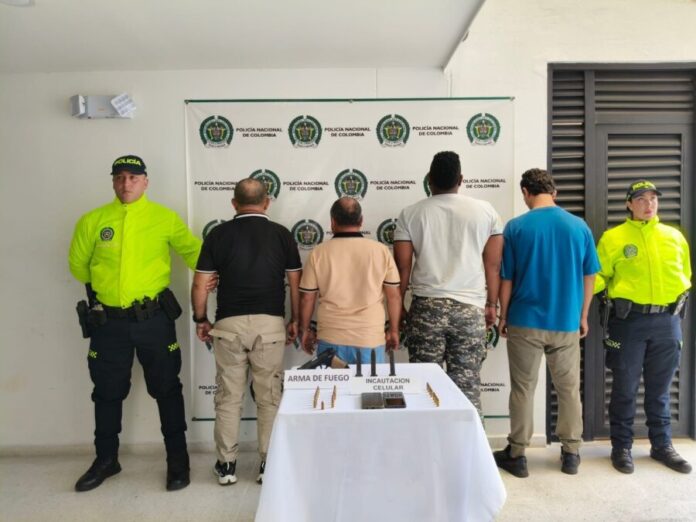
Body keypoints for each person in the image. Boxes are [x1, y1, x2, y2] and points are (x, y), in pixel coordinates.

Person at [69, 155, 202, 491]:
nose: (126, 183)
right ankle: (106, 460)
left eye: (133, 177)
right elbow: (78, 266)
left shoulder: (164, 218)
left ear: (145, 181)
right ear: (113, 181)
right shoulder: (93, 220)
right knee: (106, 393)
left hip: (154, 321)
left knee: (167, 389)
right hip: (108, 324)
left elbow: (195, 254)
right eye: (120, 177)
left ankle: (178, 462)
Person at [191, 178, 302, 486]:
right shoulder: (281, 234)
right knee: (269, 397)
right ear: (267, 202)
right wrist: (295, 320)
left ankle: (226, 465)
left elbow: (200, 283)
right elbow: (296, 283)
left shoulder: (218, 235)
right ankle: (269, 463)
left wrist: (200, 318)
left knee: (228, 398)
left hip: (229, 325)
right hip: (270, 325)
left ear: (234, 203)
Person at [492, 168, 599, 478]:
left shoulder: (516, 227)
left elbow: (507, 278)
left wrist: (503, 315)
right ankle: (571, 453)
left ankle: (517, 454)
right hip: (565, 321)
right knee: (568, 389)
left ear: (526, 192)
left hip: (525, 320)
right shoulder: (579, 226)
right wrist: (582, 315)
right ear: (554, 192)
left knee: (523, 389)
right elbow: (589, 275)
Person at [393, 151, 503, 414]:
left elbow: (402, 269)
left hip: (426, 309)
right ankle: (469, 442)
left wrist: (397, 310)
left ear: (429, 179)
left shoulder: (410, 214)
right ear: (461, 179)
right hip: (470, 310)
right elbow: (493, 266)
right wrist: (492, 304)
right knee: (467, 389)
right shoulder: (486, 212)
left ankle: (425, 440)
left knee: (423, 388)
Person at [595, 180, 692, 475]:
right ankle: (621, 446)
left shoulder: (674, 237)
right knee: (624, 388)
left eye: (652, 199)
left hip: (668, 321)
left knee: (660, 390)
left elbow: (685, 274)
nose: (648, 204)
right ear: (628, 204)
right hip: (629, 323)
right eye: (640, 199)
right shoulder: (613, 238)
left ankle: (662, 445)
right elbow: (597, 277)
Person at [299, 197, 401, 363]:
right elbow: (394, 296)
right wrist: (394, 330)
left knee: (332, 382)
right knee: (368, 382)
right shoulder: (381, 251)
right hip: (370, 339)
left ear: (332, 222)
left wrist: (304, 330)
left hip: (331, 338)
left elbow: (307, 298)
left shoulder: (318, 253)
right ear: (361, 221)